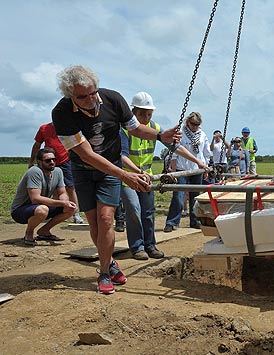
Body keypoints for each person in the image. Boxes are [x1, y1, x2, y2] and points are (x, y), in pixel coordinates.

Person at [52, 65, 182, 295]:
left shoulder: (113, 100)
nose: (91, 99)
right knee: (94, 223)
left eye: (93, 93)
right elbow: (87, 154)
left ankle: (103, 272)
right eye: (82, 97)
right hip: (83, 170)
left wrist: (161, 136)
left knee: (105, 219)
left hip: (110, 171)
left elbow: (135, 128)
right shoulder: (61, 113)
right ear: (71, 95)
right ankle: (110, 261)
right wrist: (125, 175)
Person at [120, 92, 207, 260]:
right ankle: (137, 247)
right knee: (134, 210)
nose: (146, 118)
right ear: (133, 112)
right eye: (142, 114)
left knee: (148, 211)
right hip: (128, 179)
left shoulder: (155, 128)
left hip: (146, 178)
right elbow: (121, 156)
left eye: (149, 114)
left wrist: (198, 161)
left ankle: (150, 246)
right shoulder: (125, 129)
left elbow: (176, 147)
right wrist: (138, 172)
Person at [12, 148, 76, 245]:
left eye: (54, 159)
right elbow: (35, 198)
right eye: (48, 160)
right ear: (39, 162)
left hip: (41, 206)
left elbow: (62, 193)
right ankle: (29, 233)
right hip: (20, 210)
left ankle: (44, 231)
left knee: (71, 208)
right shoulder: (34, 171)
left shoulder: (58, 171)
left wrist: (65, 203)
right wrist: (62, 203)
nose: (52, 162)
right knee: (42, 210)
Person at [163, 112, 210, 232]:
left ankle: (195, 221)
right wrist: (173, 171)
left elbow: (206, 153)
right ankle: (172, 222)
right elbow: (173, 152)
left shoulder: (202, 135)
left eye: (197, 124)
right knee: (178, 196)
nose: (195, 126)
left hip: (197, 169)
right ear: (187, 122)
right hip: (181, 168)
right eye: (193, 124)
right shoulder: (180, 133)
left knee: (195, 196)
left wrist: (206, 168)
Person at [29, 122, 84, 224]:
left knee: (70, 188)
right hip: (47, 162)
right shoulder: (44, 128)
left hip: (65, 161)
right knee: (52, 188)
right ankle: (53, 213)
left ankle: (76, 214)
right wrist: (32, 161)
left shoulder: (67, 126)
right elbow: (37, 145)